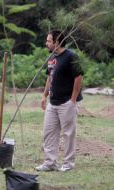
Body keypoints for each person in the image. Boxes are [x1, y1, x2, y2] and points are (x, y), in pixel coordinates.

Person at [35, 30, 84, 172]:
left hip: (67, 102)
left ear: (57, 41)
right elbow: (50, 77)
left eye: (49, 41)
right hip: (53, 102)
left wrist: (73, 100)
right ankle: (50, 163)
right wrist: (44, 96)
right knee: (49, 132)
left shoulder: (71, 56)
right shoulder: (52, 57)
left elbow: (79, 77)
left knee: (68, 134)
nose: (46, 43)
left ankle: (68, 164)